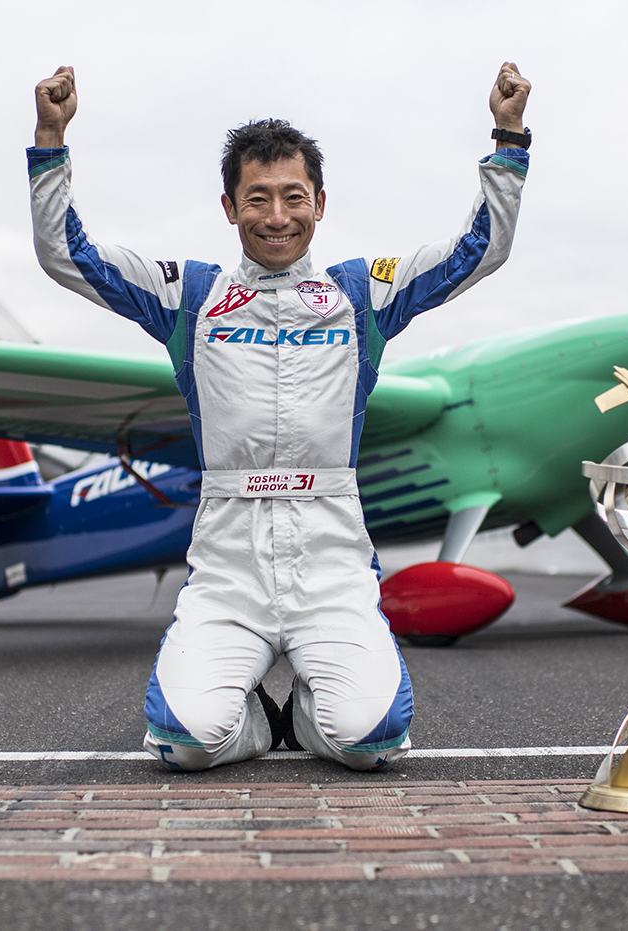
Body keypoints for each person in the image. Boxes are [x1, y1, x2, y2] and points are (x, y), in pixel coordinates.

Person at [28, 63, 531, 771]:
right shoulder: (189, 295)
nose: (275, 216)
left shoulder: (361, 293)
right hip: (228, 562)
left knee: (371, 742)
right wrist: (51, 140)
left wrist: (508, 140)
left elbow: (477, 251)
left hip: (332, 555)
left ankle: (308, 713)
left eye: (293, 197)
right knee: (185, 742)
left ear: (319, 203)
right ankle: (263, 721)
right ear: (228, 207)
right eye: (256, 199)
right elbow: (65, 256)